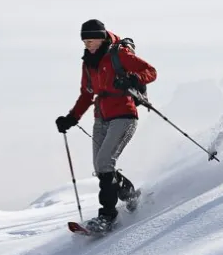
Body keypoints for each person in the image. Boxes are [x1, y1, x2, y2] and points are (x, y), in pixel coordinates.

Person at [55, 19, 157, 232]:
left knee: (104, 162)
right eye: (85, 42)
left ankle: (108, 216)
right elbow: (87, 94)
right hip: (101, 118)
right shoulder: (88, 62)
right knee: (101, 168)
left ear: (101, 38)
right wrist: (71, 118)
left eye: (91, 41)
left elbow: (150, 72)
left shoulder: (119, 55)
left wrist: (132, 80)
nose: (88, 45)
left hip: (124, 116)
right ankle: (131, 195)